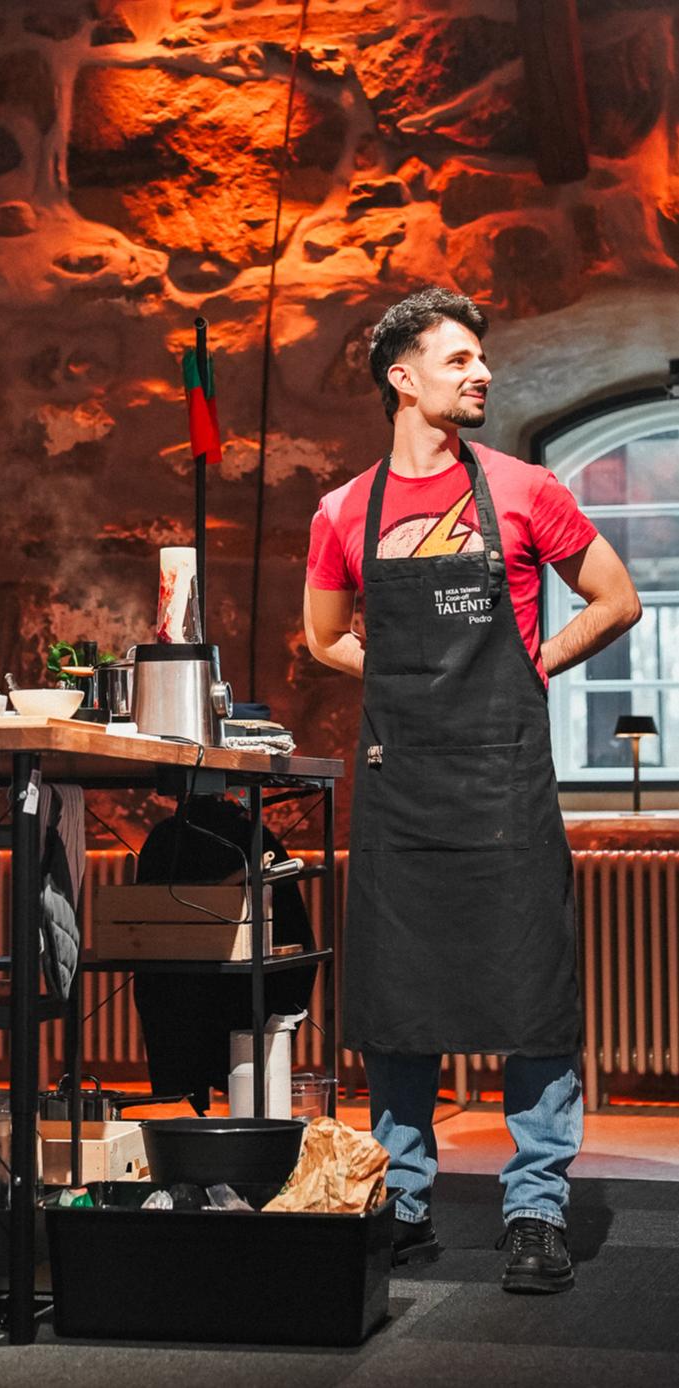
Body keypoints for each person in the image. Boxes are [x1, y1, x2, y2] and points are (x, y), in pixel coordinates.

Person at [304, 287, 641, 1294]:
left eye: (480, 359)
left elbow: (614, 598)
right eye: (457, 360)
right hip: (402, 784)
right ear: (401, 378)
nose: (479, 373)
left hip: (503, 778)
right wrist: (414, 683)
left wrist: (528, 665)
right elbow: (323, 637)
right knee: (394, 1000)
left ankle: (534, 1206)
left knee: (530, 994)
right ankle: (401, 1200)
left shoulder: (525, 488)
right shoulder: (340, 511)